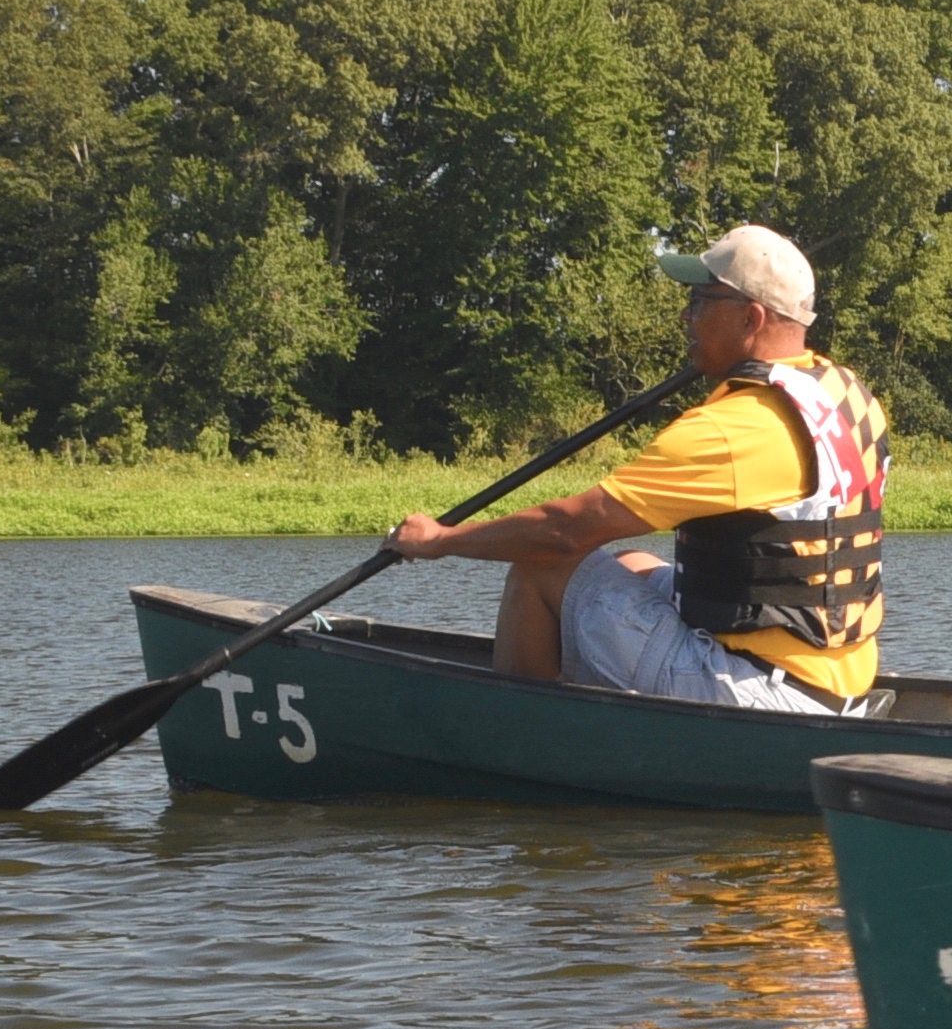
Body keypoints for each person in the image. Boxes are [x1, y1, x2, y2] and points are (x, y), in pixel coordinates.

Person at [378, 224, 893, 715]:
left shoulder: (734, 428)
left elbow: (564, 532)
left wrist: (439, 540)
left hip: (764, 694)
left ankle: (523, 730)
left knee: (543, 565)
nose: (687, 317)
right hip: (835, 686)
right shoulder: (844, 392)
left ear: (750, 319)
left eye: (700, 301)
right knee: (633, 562)